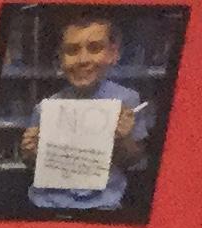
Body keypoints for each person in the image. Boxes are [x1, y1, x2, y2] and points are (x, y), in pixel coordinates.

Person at [20, 10, 159, 211]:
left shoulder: (127, 101)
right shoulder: (47, 106)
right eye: (72, 50)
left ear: (113, 54)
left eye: (95, 48)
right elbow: (32, 163)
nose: (83, 59)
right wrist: (30, 151)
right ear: (61, 58)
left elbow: (132, 159)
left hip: (102, 205)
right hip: (47, 205)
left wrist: (125, 139)